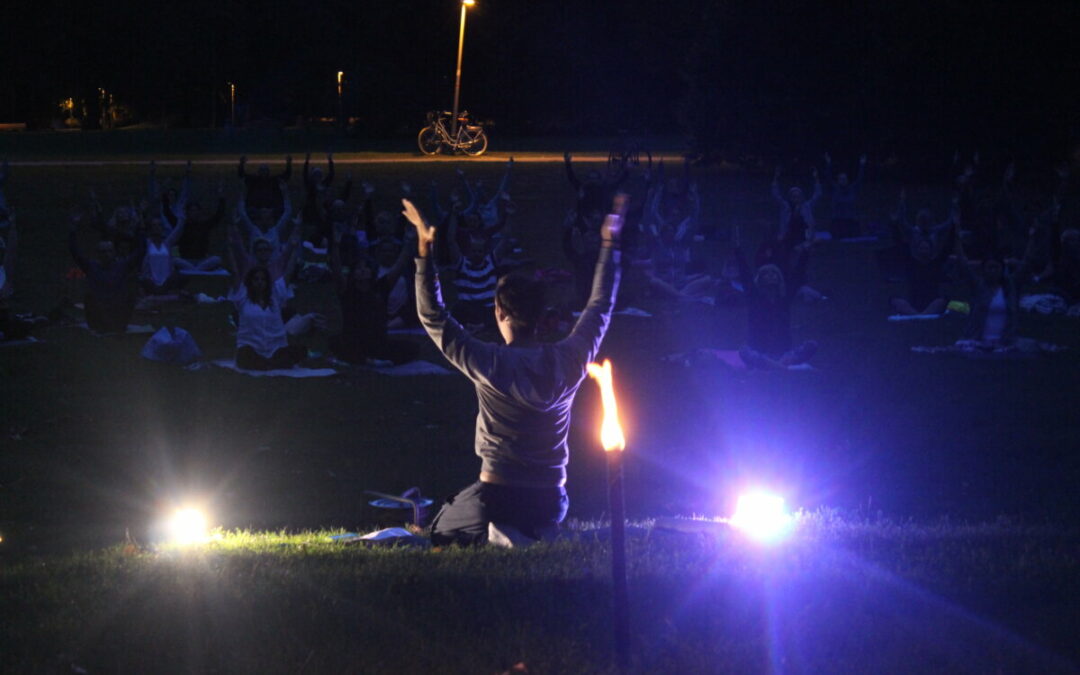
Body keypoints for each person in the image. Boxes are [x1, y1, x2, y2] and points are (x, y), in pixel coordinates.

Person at [401, 193, 625, 546]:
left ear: (500, 314)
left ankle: (503, 534)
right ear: (540, 316)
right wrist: (610, 244)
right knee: (506, 515)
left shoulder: (488, 360)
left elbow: (433, 316)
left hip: (498, 497)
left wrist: (425, 251)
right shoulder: (569, 359)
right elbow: (600, 306)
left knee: (442, 527)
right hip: (551, 501)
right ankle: (530, 533)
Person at [327, 225, 419, 365]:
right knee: (336, 343)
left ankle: (372, 359)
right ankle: (368, 360)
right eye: (359, 268)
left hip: (377, 341)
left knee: (412, 348)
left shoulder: (380, 287)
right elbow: (336, 268)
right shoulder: (347, 290)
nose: (363, 270)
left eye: (366, 268)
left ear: (372, 271)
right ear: (353, 273)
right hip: (354, 341)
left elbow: (399, 265)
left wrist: (408, 243)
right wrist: (335, 244)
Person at [734, 227, 817, 370]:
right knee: (744, 351)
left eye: (774, 273)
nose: (771, 275)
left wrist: (805, 252)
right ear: (760, 279)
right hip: (759, 351)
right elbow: (745, 276)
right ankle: (779, 366)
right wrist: (738, 250)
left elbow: (797, 275)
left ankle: (775, 365)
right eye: (766, 273)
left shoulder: (784, 300)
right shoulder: (754, 298)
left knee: (812, 345)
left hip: (782, 352)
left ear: (780, 279)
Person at [69, 209, 146, 334]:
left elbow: (141, 251)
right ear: (98, 254)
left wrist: (141, 230)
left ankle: (117, 326)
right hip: (98, 315)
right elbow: (75, 252)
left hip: (117, 314)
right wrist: (73, 229)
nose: (106, 254)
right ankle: (100, 326)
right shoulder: (91, 266)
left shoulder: (122, 265)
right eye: (103, 251)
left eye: (109, 251)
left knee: (129, 296)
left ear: (114, 252)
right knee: (90, 298)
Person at [823, 152, 867, 239]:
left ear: (847, 180)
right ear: (838, 180)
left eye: (844, 178)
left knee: (853, 235)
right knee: (838, 236)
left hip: (850, 219)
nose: (843, 180)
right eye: (841, 179)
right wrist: (828, 164)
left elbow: (860, 179)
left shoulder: (852, 188)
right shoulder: (835, 188)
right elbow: (828, 177)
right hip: (837, 219)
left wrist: (862, 164)